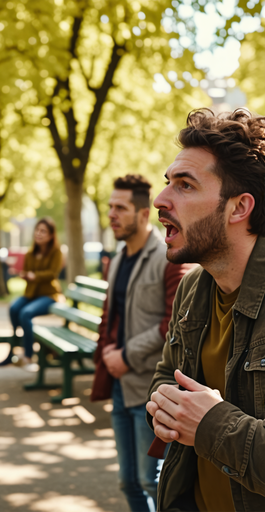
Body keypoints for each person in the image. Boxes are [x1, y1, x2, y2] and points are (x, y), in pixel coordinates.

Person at [146, 109, 265, 512]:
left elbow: (204, 420)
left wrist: (211, 425)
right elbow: (168, 374)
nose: (161, 200)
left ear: (238, 207)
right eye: (168, 184)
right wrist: (160, 408)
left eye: (185, 185)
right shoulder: (193, 287)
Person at [90, 174, 194, 512]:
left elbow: (173, 322)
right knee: (129, 482)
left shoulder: (170, 256)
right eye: (110, 207)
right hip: (121, 385)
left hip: (152, 388)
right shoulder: (118, 258)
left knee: (154, 481)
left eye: (120, 208)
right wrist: (105, 354)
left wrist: (126, 355)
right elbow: (110, 315)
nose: (111, 215)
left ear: (143, 214)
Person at [0, 217, 63, 371]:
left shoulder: (56, 252)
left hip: (48, 295)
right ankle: (13, 350)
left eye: (43, 231)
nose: (39, 234)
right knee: (14, 308)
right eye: (37, 230)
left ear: (51, 235)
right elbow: (27, 272)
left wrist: (35, 276)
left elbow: (53, 274)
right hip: (31, 293)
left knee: (26, 314)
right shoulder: (30, 253)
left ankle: (28, 355)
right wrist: (24, 274)